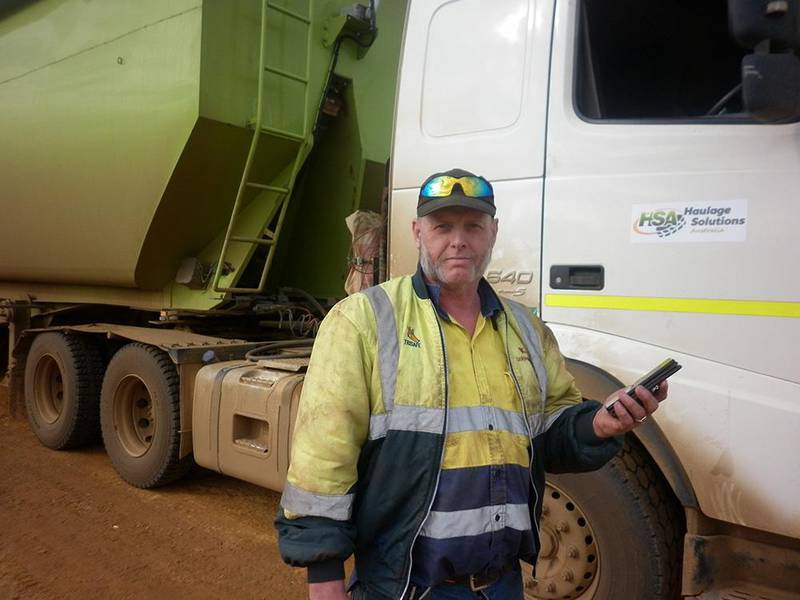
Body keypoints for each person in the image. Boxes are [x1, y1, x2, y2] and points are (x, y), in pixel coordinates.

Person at [275, 168, 668, 600]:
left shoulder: (527, 330)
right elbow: (322, 459)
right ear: (417, 232)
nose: (458, 240)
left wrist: (598, 424)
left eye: (473, 227)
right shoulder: (363, 321)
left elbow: (548, 432)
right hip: (407, 588)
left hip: (503, 585)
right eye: (442, 227)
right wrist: (325, 578)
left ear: (492, 232)